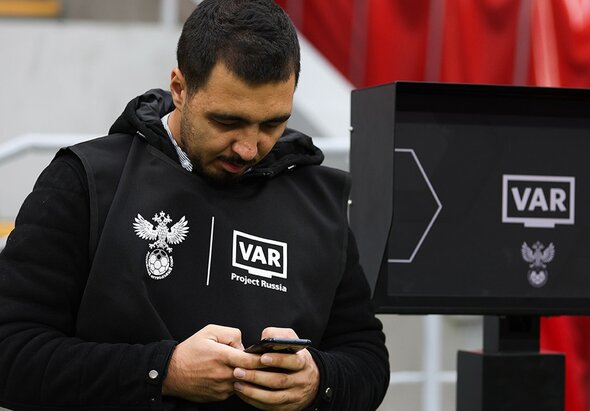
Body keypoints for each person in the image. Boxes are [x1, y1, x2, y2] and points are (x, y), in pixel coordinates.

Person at [0, 1, 389, 410]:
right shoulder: (86, 181)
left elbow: (367, 358)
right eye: (227, 121)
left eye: (272, 123)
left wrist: (318, 380)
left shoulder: (319, 203)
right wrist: (162, 372)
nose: (248, 147)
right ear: (180, 89)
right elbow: (10, 351)